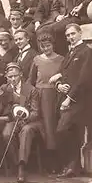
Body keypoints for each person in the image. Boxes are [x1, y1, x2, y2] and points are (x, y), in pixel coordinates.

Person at [50, 23, 92, 178]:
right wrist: (58, 85)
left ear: (80, 33)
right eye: (68, 35)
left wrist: (69, 98)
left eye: (72, 34)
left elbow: (84, 79)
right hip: (65, 99)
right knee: (68, 132)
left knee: (63, 130)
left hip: (78, 101)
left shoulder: (86, 52)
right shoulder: (70, 53)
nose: (70, 37)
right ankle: (73, 166)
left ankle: (73, 165)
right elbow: (60, 73)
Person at [29, 31, 64, 173]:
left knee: (53, 128)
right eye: (43, 47)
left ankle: (55, 162)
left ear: (53, 45)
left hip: (54, 95)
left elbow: (66, 76)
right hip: (39, 96)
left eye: (48, 46)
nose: (46, 49)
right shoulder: (37, 60)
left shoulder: (61, 59)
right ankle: (42, 163)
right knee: (41, 127)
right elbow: (31, 80)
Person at [1, 62, 42, 183]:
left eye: (15, 76)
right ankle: (16, 162)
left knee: (26, 131)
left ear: (21, 75)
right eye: (10, 76)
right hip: (13, 120)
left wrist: (25, 118)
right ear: (6, 77)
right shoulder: (4, 89)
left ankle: (21, 167)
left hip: (29, 121)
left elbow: (36, 112)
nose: (13, 79)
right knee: (6, 134)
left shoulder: (31, 89)